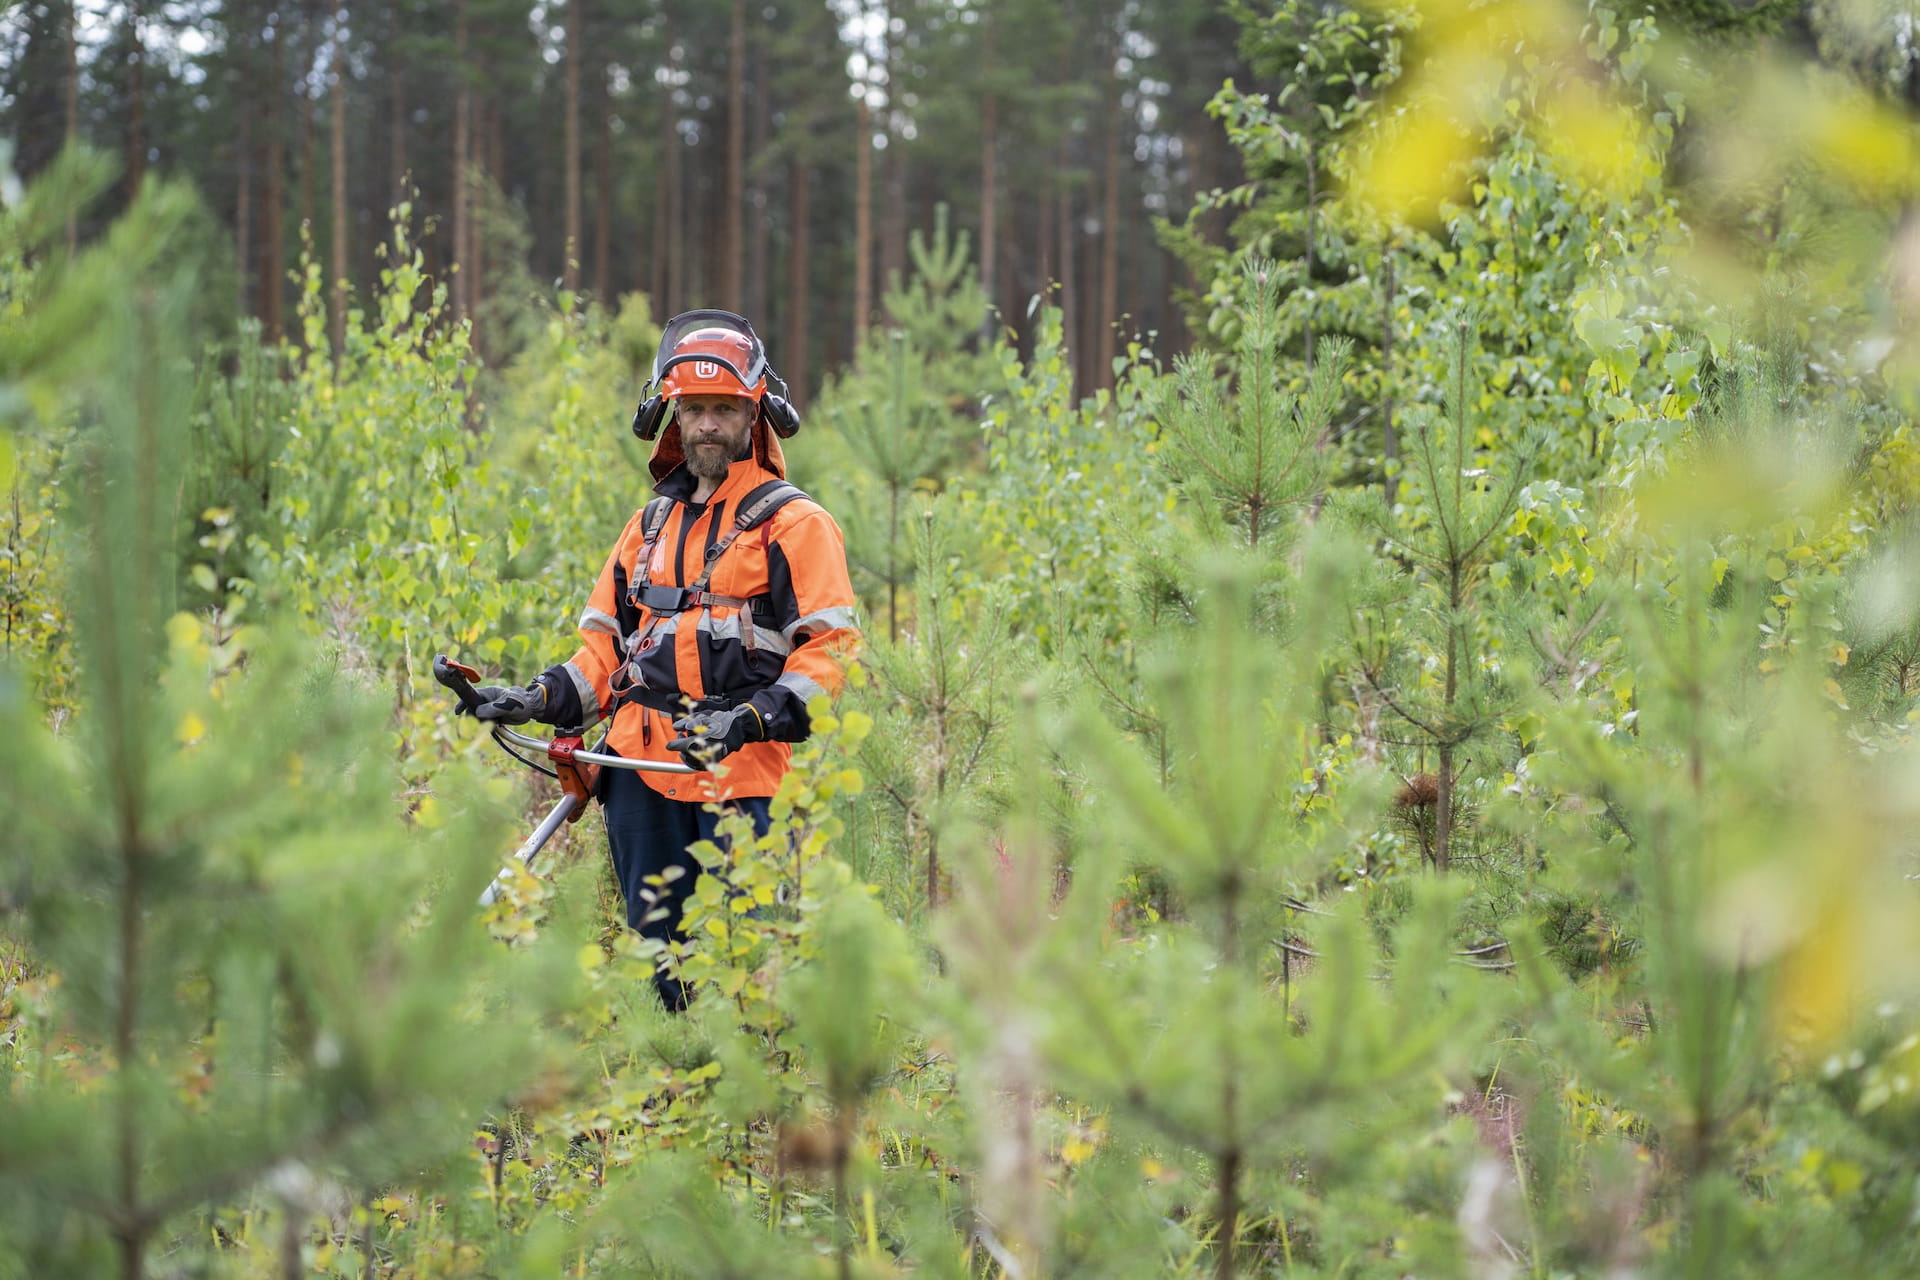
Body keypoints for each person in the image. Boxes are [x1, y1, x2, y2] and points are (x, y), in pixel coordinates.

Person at [463, 310, 859, 1008]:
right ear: (672, 418)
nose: (707, 423)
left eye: (724, 409)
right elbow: (603, 655)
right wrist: (534, 698)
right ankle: (669, 1098)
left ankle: (753, 1107)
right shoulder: (645, 528)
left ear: (753, 413)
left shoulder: (796, 524)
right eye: (694, 409)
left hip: (740, 776)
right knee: (662, 969)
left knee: (748, 964)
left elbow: (829, 651)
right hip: (637, 776)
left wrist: (753, 717)